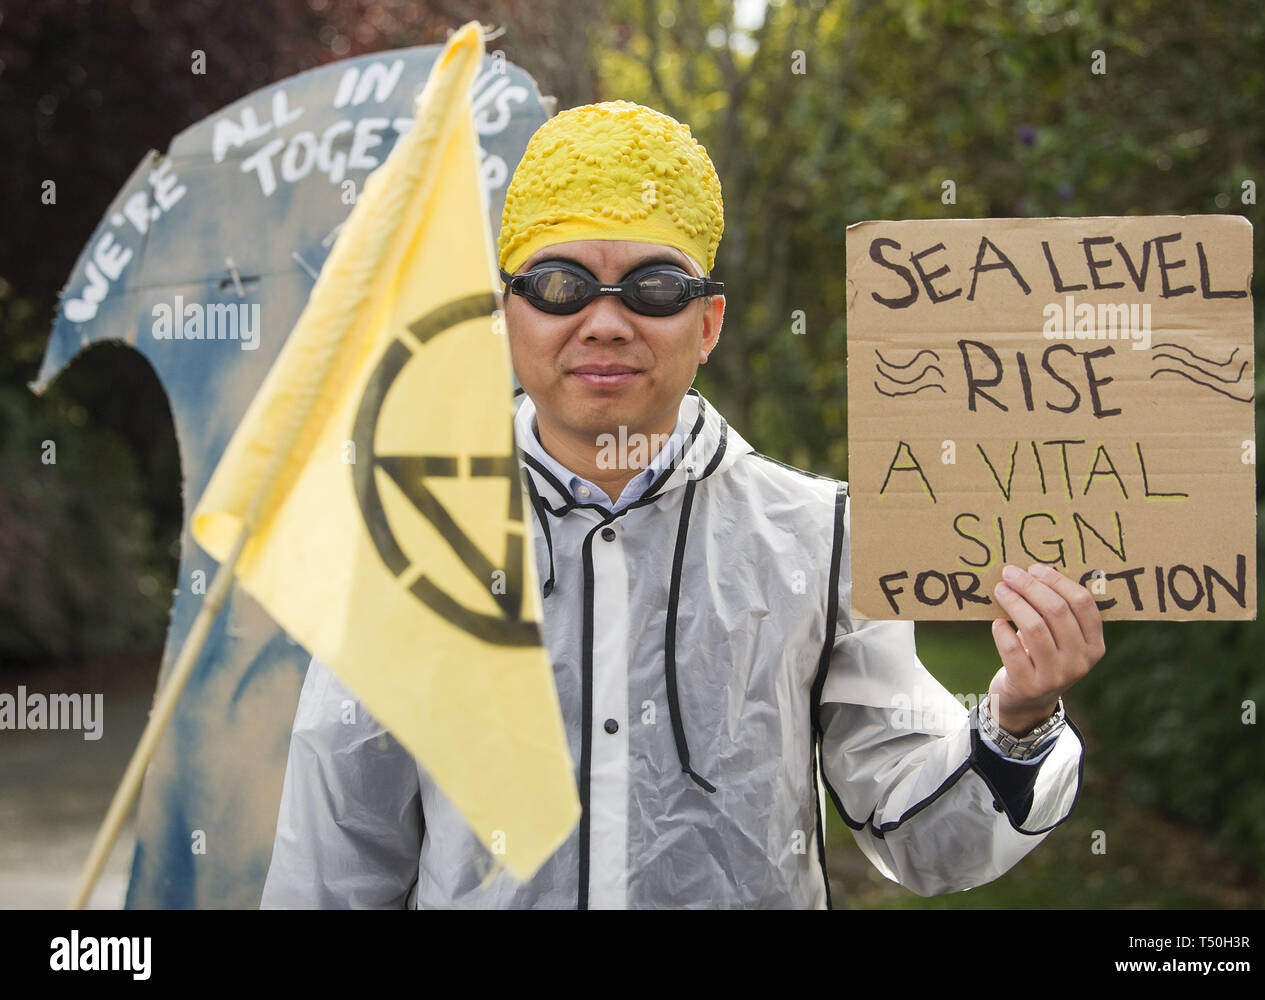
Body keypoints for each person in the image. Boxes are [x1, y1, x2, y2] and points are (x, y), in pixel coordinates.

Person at [260, 100, 1104, 909]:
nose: (604, 322)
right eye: (560, 285)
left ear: (707, 323)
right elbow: (336, 860)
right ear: (508, 313)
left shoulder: (825, 537)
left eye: (654, 287)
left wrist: (1017, 722)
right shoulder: (413, 540)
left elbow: (917, 830)